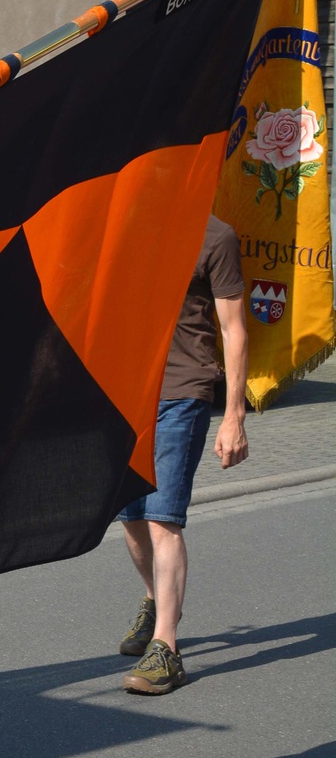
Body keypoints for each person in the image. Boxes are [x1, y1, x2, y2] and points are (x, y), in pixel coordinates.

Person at [116, 212, 248, 695]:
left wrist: (234, 415)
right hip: (127, 396)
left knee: (162, 517)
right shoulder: (128, 225)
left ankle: (166, 649)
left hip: (182, 392)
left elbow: (234, 329)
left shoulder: (216, 236)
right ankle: (154, 601)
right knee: (130, 517)